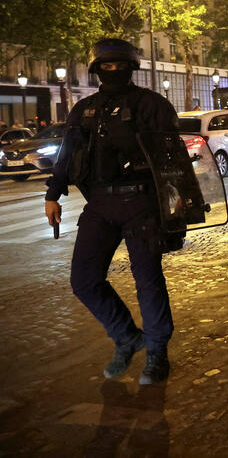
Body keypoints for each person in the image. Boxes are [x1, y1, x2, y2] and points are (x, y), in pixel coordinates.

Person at [44, 38, 183, 385]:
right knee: (84, 280)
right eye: (105, 66)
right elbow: (67, 154)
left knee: (148, 282)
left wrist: (177, 210)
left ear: (131, 68)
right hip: (100, 204)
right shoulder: (85, 110)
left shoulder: (153, 106)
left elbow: (174, 161)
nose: (112, 71)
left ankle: (156, 353)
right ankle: (126, 337)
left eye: (118, 65)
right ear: (96, 70)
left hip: (143, 204)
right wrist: (53, 194)